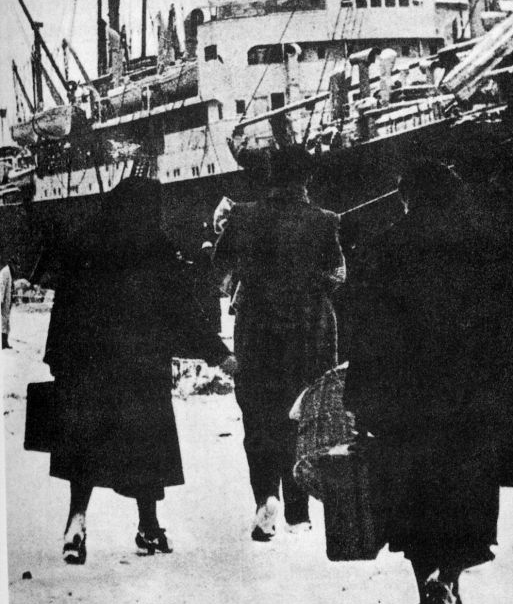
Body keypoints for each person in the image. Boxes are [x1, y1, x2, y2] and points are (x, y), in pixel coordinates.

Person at [344, 159, 513, 604]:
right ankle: (449, 578)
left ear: (408, 198)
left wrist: (360, 397)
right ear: (455, 193)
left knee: (417, 496)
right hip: (480, 397)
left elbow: (363, 329)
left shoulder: (383, 246)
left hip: (410, 400)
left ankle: (429, 589)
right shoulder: (491, 242)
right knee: (469, 493)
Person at [43, 177, 234, 565]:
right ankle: (148, 527)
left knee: (86, 445)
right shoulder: (154, 247)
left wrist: (59, 360)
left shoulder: (85, 242)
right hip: (141, 368)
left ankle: (76, 523)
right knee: (147, 448)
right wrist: (219, 354)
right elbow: (182, 311)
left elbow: (64, 308)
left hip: (89, 366)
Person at [213, 144, 345, 540]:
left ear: (270, 175)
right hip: (308, 336)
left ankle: (265, 499)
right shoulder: (325, 220)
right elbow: (338, 275)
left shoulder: (242, 215)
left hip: (256, 334)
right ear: (307, 177)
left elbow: (220, 267)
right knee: (301, 415)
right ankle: (298, 510)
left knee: (258, 418)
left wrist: (239, 276)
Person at [1, 252, 13, 350]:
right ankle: (3, 343)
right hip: (3, 301)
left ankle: (5, 342)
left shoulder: (9, 272)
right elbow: (1, 286)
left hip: (7, 301)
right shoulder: (5, 272)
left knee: (6, 321)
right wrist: (1, 300)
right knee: (3, 322)